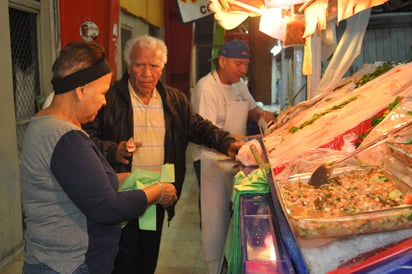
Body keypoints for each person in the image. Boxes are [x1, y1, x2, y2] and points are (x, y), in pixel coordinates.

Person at [83, 34, 243, 274]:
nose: (147, 72)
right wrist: (112, 150)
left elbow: (198, 127)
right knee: (122, 259)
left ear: (162, 67)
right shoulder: (109, 99)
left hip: (158, 194)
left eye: (154, 66)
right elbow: (86, 139)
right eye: (140, 65)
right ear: (128, 65)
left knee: (147, 258)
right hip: (122, 194)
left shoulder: (173, 100)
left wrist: (228, 145)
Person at [19, 41, 177, 274]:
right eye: (102, 93)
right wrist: (158, 191)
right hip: (70, 264)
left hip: (51, 259)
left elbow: (82, 184)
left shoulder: (42, 123)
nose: (104, 101)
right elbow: (107, 208)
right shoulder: (65, 136)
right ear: (81, 90)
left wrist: (128, 177)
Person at [191, 39, 275, 273]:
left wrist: (264, 117)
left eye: (246, 65)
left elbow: (252, 109)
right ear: (222, 61)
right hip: (211, 162)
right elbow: (203, 131)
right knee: (214, 221)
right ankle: (214, 265)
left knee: (233, 217)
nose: (243, 70)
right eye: (238, 64)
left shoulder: (239, 84)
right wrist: (235, 144)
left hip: (237, 160)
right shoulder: (206, 87)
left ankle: (231, 262)